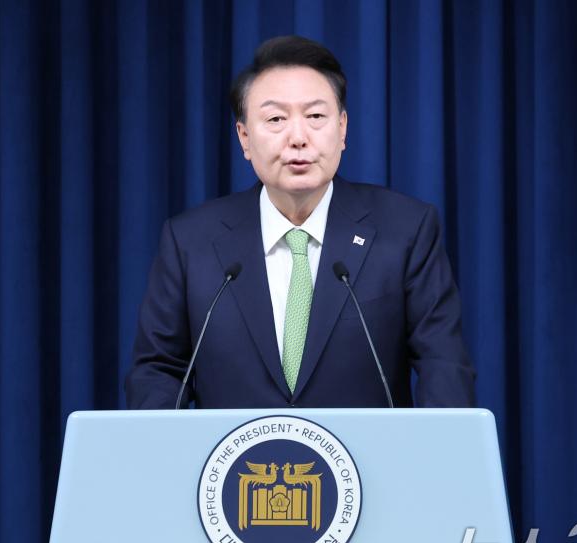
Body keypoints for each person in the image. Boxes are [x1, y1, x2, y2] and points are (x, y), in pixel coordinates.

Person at [125, 35, 475, 409]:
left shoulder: (406, 230)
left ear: (342, 128)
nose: (298, 138)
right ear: (244, 138)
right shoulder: (190, 241)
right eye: (276, 119)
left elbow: (443, 366)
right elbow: (158, 372)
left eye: (315, 117)